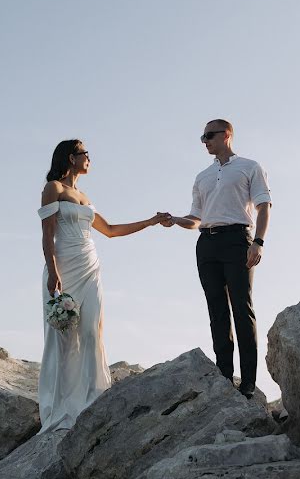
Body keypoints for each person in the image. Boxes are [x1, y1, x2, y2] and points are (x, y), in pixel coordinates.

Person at [37, 139, 170, 433]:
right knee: (64, 336)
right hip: (64, 265)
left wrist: (149, 221)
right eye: (85, 154)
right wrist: (52, 271)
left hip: (90, 265)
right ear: (71, 157)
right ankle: (61, 408)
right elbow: (47, 235)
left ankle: (92, 399)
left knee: (91, 331)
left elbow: (110, 231)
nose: (89, 159)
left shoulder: (84, 196)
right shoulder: (53, 189)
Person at [164, 119, 272, 398]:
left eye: (209, 136)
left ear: (227, 135)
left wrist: (258, 242)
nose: (204, 141)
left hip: (238, 240)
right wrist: (176, 220)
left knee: (241, 308)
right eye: (202, 137)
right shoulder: (202, 176)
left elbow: (263, 207)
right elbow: (195, 217)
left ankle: (248, 381)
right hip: (206, 243)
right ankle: (224, 376)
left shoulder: (249, 166)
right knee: (216, 311)